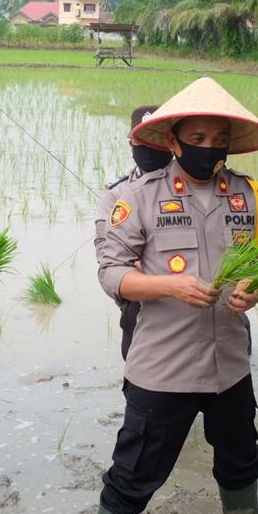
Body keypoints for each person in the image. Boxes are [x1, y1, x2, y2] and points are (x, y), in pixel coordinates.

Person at [90, 76, 258, 514]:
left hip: (230, 366)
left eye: (217, 140)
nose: (208, 149)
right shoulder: (137, 197)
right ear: (173, 142)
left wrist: (257, 290)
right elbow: (111, 273)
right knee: (135, 470)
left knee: (241, 457)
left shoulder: (248, 194)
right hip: (164, 368)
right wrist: (169, 287)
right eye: (195, 140)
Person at [94, 105, 170, 359]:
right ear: (131, 141)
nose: (149, 147)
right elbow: (107, 255)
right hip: (140, 301)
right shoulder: (116, 194)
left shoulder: (194, 184)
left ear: (170, 141)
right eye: (141, 139)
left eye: (156, 139)